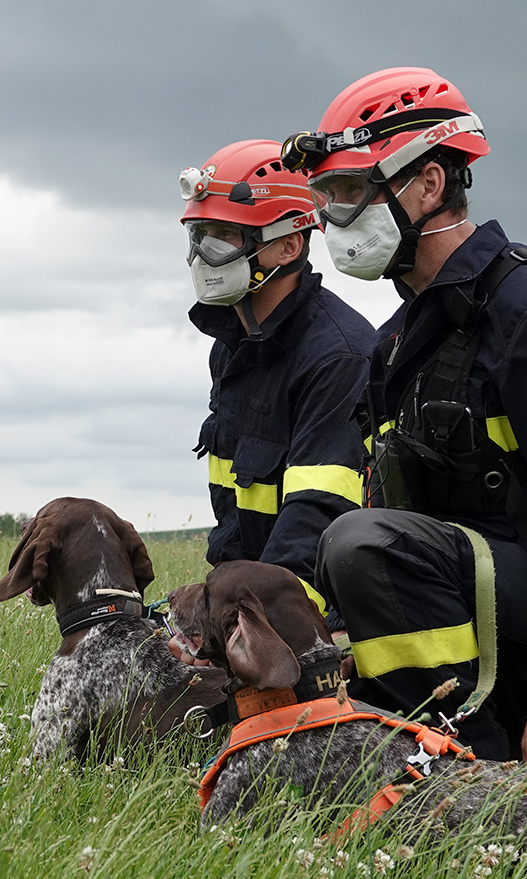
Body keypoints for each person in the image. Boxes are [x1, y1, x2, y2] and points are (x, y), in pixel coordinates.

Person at [282, 68, 527, 776]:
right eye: (325, 197)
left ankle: (474, 771)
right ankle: (418, 751)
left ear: (429, 185)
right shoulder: (396, 343)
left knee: (362, 542)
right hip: (455, 611)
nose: (332, 220)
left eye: (349, 194)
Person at [178, 140, 376, 617]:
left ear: (288, 246)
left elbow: (314, 520)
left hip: (314, 615)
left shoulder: (338, 357)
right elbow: (235, 521)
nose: (204, 255)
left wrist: (248, 623)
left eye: (225, 235)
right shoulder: (232, 349)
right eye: (199, 235)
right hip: (250, 599)